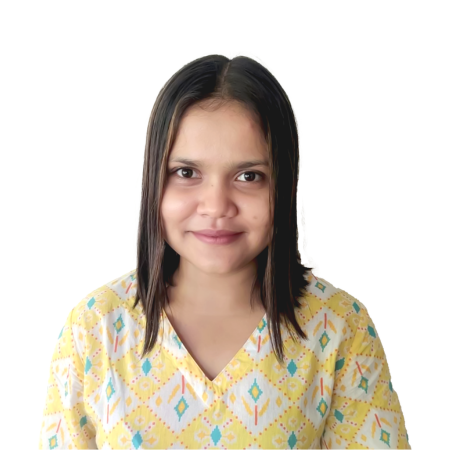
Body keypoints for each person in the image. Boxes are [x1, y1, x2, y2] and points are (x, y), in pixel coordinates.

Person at [38, 55, 410, 449]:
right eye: (187, 173)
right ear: (154, 179)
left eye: (249, 176)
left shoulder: (339, 329)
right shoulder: (94, 329)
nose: (216, 206)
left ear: (284, 185)